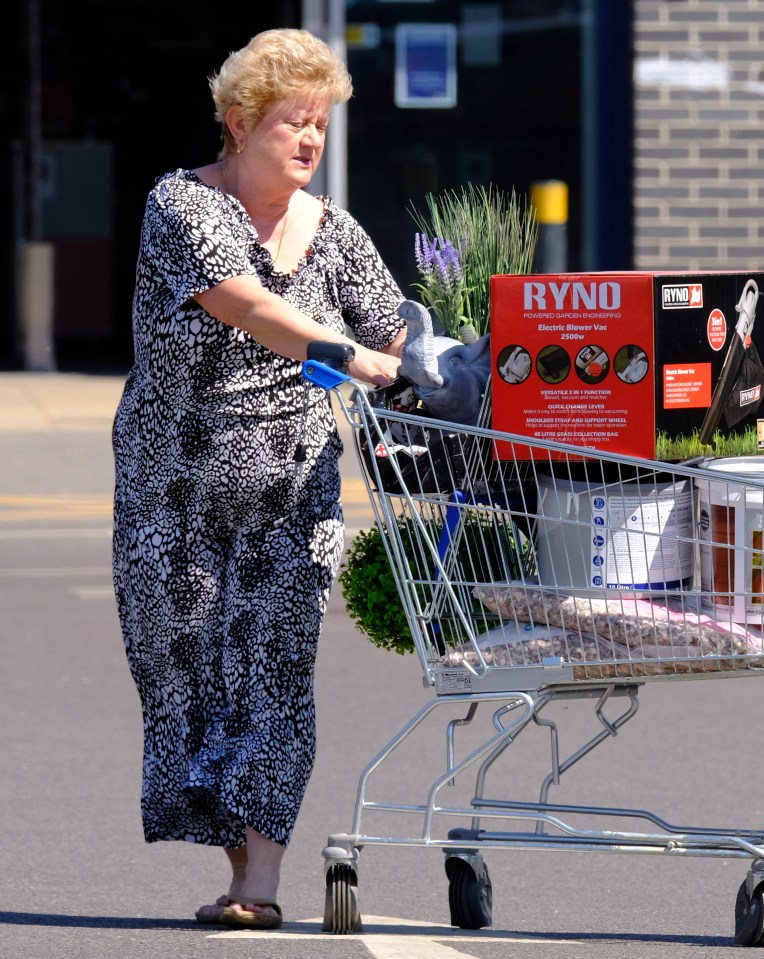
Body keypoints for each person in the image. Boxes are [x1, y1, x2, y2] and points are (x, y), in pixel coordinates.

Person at [111, 28, 406, 931]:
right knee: (186, 670)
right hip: (173, 493)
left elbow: (393, 329)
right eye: (293, 123)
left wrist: (405, 378)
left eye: (320, 124)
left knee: (277, 669)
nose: (311, 140)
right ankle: (238, 852)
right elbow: (252, 306)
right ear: (241, 124)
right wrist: (352, 355)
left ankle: (261, 877)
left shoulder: (338, 230)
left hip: (293, 494)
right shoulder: (183, 206)